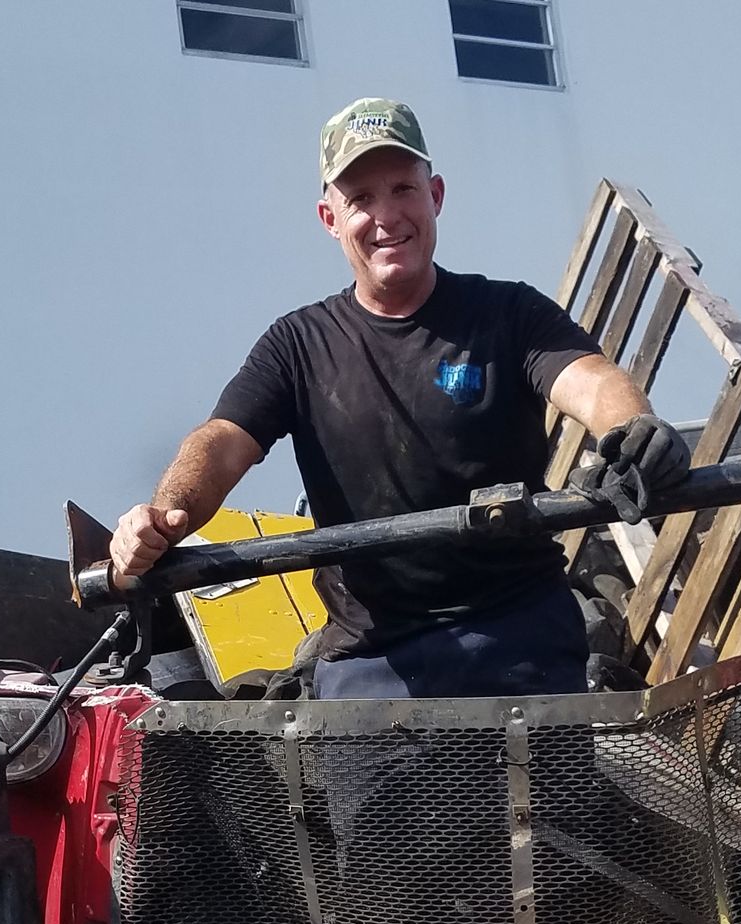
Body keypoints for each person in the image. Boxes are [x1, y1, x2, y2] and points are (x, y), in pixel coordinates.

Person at [110, 98, 691, 697]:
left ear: (435, 195)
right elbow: (221, 441)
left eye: (402, 188)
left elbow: (590, 379)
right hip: (371, 660)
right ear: (330, 219)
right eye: (360, 198)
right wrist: (162, 517)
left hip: (521, 642)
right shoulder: (298, 345)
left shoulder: (510, 314)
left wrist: (633, 428)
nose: (386, 215)